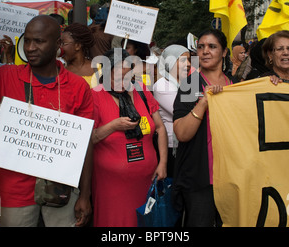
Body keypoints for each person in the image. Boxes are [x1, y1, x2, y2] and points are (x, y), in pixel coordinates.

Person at [0, 15, 94, 227]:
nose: (30, 47)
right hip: (14, 193)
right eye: (27, 40)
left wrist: (85, 195)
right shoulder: (5, 77)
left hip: (61, 191)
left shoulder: (77, 86)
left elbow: (85, 144)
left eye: (38, 41)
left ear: (58, 45)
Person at [90, 48, 168, 227]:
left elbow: (160, 129)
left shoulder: (141, 92)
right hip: (112, 185)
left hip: (146, 180)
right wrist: (113, 126)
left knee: (144, 222)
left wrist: (163, 163)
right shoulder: (95, 95)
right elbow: (90, 138)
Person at [173, 29, 235, 227]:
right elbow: (182, 133)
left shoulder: (236, 86)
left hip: (231, 177)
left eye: (212, 46)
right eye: (201, 47)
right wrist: (203, 103)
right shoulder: (190, 85)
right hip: (200, 180)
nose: (205, 51)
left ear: (224, 52)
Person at [153, 44, 191, 176]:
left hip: (186, 142)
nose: (188, 64)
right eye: (183, 60)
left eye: (189, 60)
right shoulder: (161, 85)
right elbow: (182, 111)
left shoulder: (185, 83)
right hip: (171, 147)